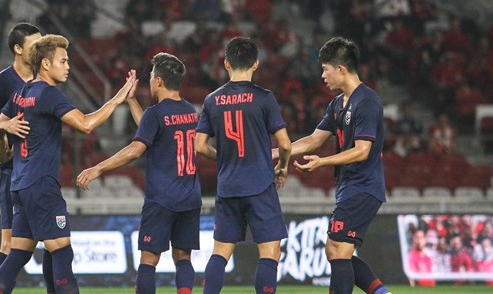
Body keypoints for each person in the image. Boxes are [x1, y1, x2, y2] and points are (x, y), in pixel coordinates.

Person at [0, 34, 135, 294]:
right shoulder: (48, 93)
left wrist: (5, 154)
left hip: (20, 185)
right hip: (42, 185)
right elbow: (86, 125)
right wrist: (116, 99)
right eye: (63, 61)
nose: (68, 66)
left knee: (18, 255)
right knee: (62, 253)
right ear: (46, 64)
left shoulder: (22, 92)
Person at [77, 53, 201, 294]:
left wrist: (98, 167)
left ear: (158, 82)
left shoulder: (157, 113)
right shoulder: (190, 112)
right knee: (183, 257)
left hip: (162, 198)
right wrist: (132, 101)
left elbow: (136, 149)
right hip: (190, 197)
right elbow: (154, 128)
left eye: (152, 76)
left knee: (148, 260)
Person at [288, 37, 391, 294]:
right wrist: (276, 152)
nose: (323, 75)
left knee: (338, 250)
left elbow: (362, 150)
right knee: (335, 250)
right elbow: (314, 140)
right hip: (350, 187)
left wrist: (323, 162)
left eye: (325, 68)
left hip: (363, 186)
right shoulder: (337, 104)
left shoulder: (366, 101)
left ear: (341, 69)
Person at [194, 36, 292, 294]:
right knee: (269, 251)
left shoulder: (211, 100)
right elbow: (285, 144)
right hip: (260, 184)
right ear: (256, 64)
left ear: (226, 63)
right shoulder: (264, 98)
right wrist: (282, 166)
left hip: (228, 187)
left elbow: (199, 146)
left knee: (220, 253)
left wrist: (225, 157)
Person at [0, 22, 45, 286]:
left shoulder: (43, 79)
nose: (40, 49)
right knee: (9, 245)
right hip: (13, 173)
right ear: (17, 48)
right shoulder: (2, 82)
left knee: (53, 242)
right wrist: (5, 125)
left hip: (40, 172)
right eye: (35, 45)